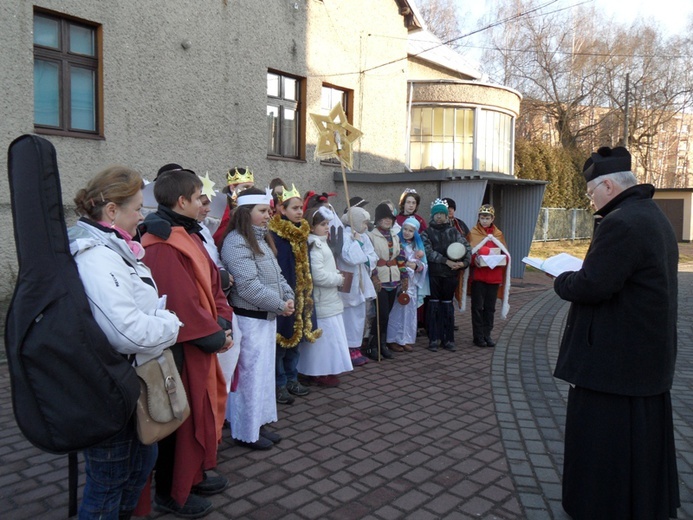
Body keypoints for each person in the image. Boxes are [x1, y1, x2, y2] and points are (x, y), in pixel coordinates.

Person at [552, 146, 680, 519]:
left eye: (591, 192)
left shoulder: (622, 222)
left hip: (613, 363)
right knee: (638, 442)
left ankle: (601, 506)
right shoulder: (650, 215)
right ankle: (639, 502)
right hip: (641, 357)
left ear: (608, 185)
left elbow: (593, 286)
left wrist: (561, 280)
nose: (591, 200)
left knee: (604, 443)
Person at [70, 166, 182, 520]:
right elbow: (127, 332)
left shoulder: (113, 248)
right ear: (112, 211)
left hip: (129, 383)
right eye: (137, 207)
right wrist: (171, 324)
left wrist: (157, 320)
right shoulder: (96, 257)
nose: (142, 215)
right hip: (110, 389)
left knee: (139, 466)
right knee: (108, 484)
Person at [139, 168, 234, 519]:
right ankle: (171, 492)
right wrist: (214, 333)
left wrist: (222, 320)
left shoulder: (187, 234)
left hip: (199, 341)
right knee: (177, 422)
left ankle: (191, 477)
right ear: (182, 201)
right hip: (180, 349)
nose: (204, 204)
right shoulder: (162, 244)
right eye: (198, 198)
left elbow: (212, 284)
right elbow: (179, 302)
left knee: (196, 416)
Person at [221, 187, 294, 450]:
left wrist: (288, 296)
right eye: (262, 211)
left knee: (263, 375)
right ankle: (245, 430)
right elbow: (248, 286)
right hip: (249, 320)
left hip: (266, 317)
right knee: (249, 377)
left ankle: (259, 422)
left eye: (269, 210)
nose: (268, 215)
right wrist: (279, 304)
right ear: (245, 212)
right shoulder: (236, 241)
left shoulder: (261, 239)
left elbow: (278, 275)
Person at [268, 184, 320, 404]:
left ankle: (292, 378)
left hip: (302, 295)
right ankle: (279, 383)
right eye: (295, 208)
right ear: (282, 209)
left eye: (301, 208)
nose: (300, 212)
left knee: (296, 342)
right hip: (282, 295)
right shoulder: (274, 235)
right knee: (281, 342)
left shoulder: (303, 233)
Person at [296, 207, 354, 386]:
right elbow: (317, 274)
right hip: (322, 300)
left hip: (329, 299)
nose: (327, 227)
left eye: (328, 224)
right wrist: (338, 278)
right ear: (312, 227)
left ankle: (325, 369)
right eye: (323, 224)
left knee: (330, 338)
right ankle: (318, 372)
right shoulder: (314, 245)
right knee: (323, 340)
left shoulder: (321, 243)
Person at [421, 198, 471, 352]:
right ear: (432, 215)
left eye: (442, 214)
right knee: (434, 305)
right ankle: (434, 339)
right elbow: (428, 252)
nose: (439, 217)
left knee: (447, 306)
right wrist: (446, 261)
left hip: (450, 276)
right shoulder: (427, 233)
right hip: (434, 274)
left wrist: (463, 263)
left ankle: (448, 339)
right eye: (436, 214)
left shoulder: (454, 232)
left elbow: (467, 248)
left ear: (446, 215)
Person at [464, 205, 510, 348]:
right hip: (479, 277)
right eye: (482, 217)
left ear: (493, 219)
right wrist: (474, 260)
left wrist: (501, 259)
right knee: (477, 307)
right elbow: (467, 254)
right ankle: (478, 336)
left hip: (494, 278)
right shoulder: (473, 233)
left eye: (487, 218)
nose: (484, 221)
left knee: (490, 308)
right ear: (478, 218)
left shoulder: (498, 234)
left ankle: (487, 334)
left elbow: (506, 256)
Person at [365, 202, 407, 359]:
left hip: (394, 278)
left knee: (387, 314)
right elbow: (371, 259)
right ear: (378, 220)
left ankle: (382, 344)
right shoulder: (371, 236)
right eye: (384, 218)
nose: (388, 221)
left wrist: (404, 276)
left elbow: (400, 257)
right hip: (380, 280)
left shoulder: (395, 236)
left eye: (390, 218)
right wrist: (374, 276)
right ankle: (372, 345)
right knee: (380, 314)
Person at [337, 206, 378, 366]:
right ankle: (347, 348)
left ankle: (356, 347)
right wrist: (357, 245)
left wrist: (365, 256)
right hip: (350, 281)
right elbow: (349, 258)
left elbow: (372, 256)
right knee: (349, 316)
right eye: (364, 222)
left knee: (360, 315)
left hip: (362, 281)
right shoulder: (345, 236)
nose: (366, 226)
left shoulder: (363, 236)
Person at [386, 217, 428, 352]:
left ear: (415, 233)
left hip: (412, 284)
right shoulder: (397, 243)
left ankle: (405, 339)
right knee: (396, 311)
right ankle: (392, 339)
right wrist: (405, 266)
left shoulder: (417, 246)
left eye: (411, 231)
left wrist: (417, 266)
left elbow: (423, 265)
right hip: (400, 283)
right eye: (405, 229)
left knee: (409, 312)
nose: (407, 232)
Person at [212, 166, 255, 247]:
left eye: (252, 187)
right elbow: (217, 235)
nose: (250, 191)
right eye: (246, 187)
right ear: (232, 188)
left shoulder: (251, 206)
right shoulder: (222, 205)